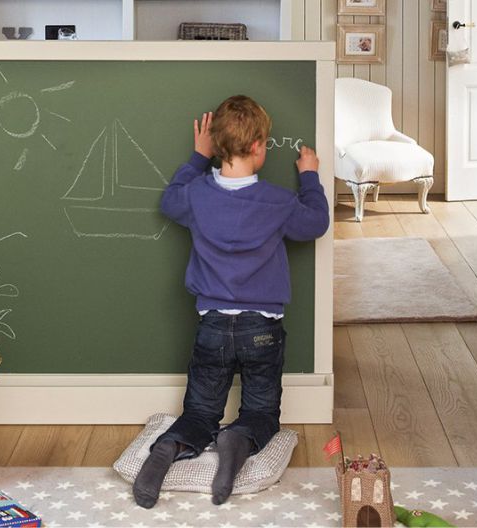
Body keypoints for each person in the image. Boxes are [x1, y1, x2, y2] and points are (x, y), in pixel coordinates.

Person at [132, 95, 329, 508]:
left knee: (201, 411)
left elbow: (169, 200)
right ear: (259, 147)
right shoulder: (277, 201)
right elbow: (315, 223)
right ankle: (238, 441)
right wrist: (309, 176)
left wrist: (197, 157)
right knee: (261, 410)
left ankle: (170, 447)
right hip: (263, 327)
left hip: (212, 326)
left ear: (217, 146)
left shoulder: (197, 196)